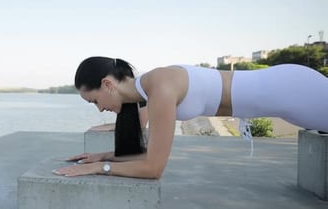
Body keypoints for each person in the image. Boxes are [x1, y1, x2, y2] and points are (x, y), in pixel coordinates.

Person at [52, 56, 328, 179]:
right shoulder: (148, 92)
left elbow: (153, 169)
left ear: (108, 84)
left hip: (294, 92)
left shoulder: (159, 87)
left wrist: (100, 169)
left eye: (95, 101)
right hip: (289, 98)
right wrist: (104, 156)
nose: (99, 108)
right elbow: (147, 148)